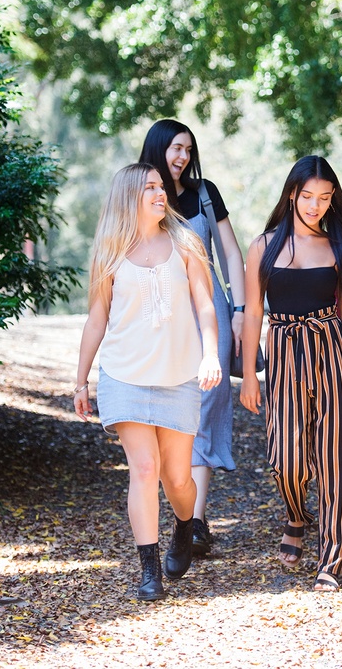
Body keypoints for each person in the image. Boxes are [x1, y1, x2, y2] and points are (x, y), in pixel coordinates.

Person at [73, 163, 222, 602]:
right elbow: (97, 318)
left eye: (161, 187)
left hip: (179, 375)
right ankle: (148, 569)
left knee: (178, 479)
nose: (161, 194)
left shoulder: (187, 244)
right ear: (129, 197)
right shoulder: (110, 252)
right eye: (150, 188)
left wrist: (211, 353)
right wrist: (81, 380)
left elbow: (207, 307)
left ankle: (183, 524)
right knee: (144, 468)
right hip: (125, 375)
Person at [240, 155, 342, 592]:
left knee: (339, 458)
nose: (315, 206)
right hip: (282, 353)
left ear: (332, 198)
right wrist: (248, 374)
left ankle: (331, 561)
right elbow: (253, 315)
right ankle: (296, 515)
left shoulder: (340, 245)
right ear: (291, 195)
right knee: (286, 458)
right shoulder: (263, 246)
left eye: (323, 198)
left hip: (332, 350)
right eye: (306, 197)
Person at [139, 120, 245, 555]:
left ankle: (197, 519)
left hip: (210, 312)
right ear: (159, 149)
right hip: (161, 315)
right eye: (175, 148)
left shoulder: (205, 193)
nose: (182, 157)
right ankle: (181, 512)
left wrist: (240, 310)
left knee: (209, 400)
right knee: (170, 407)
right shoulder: (139, 192)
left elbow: (232, 253)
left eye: (188, 149)